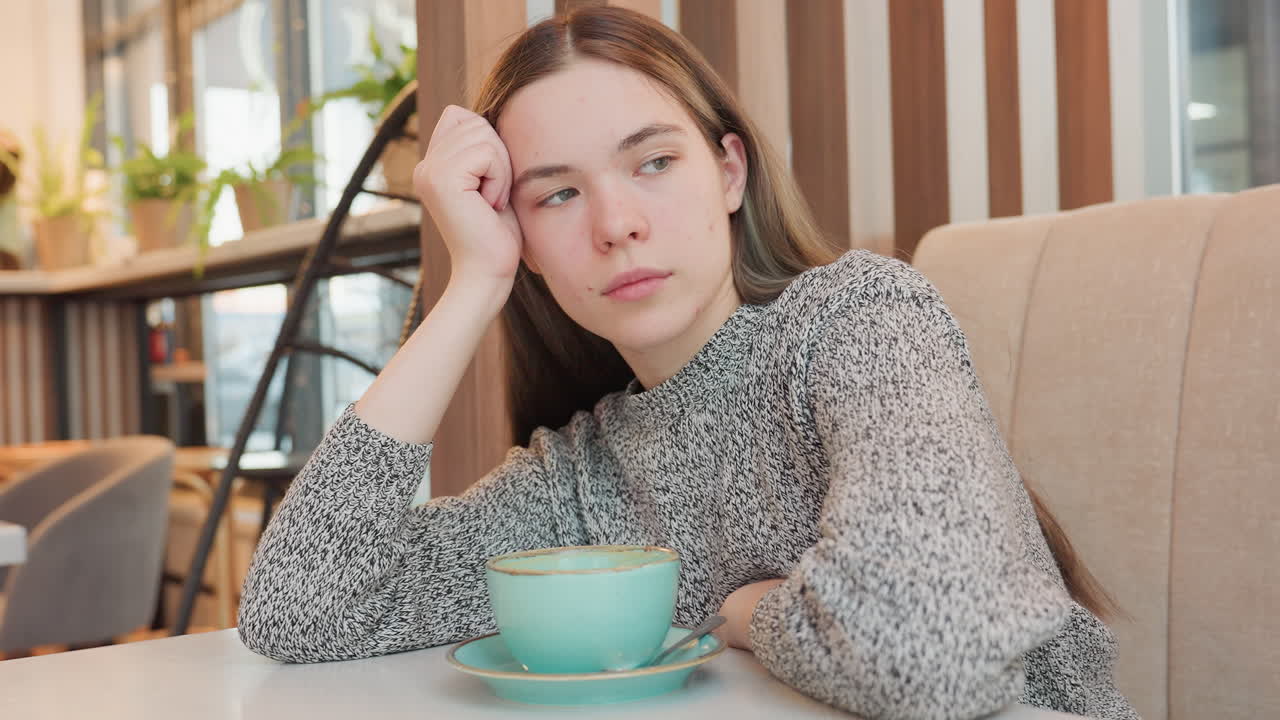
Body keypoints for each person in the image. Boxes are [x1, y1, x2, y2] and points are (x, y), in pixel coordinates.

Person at [237, 7, 1139, 719]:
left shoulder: (859, 318)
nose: (616, 222)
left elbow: (929, 655)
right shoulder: (582, 481)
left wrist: (744, 615)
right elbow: (301, 611)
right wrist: (472, 283)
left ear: (730, 172)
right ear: (528, 243)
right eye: (557, 194)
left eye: (654, 163)